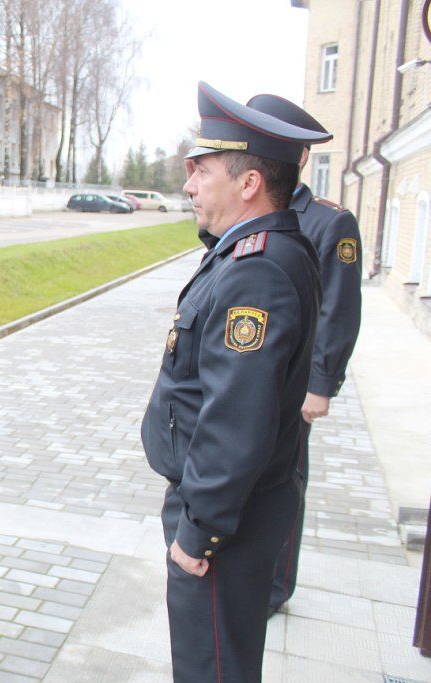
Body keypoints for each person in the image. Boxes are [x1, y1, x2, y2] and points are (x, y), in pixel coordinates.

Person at [140, 82, 329, 682]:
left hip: (225, 519)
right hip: (228, 507)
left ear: (248, 183)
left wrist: (198, 532)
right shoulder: (251, 254)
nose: (190, 184)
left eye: (203, 170)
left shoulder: (257, 272)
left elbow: (236, 420)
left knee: (212, 668)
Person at [246, 94, 363, 616]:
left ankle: (274, 586)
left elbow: (340, 310)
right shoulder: (252, 213)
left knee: (284, 482)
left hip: (294, 384)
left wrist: (322, 384)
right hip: (251, 378)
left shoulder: (328, 223)